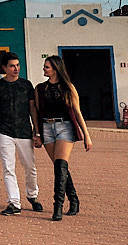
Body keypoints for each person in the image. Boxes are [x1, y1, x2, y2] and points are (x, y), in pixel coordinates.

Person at [35, 54, 92, 221]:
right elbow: (37, 113)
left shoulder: (68, 88)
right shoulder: (40, 89)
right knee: (61, 168)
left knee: (60, 166)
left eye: (47, 67)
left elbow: (77, 112)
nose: (44, 69)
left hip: (64, 127)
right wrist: (36, 133)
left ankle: (57, 207)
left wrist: (87, 136)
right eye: (44, 66)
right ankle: (74, 200)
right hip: (46, 128)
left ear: (55, 69)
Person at [0, 52, 43, 215]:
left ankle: (32, 196)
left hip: (24, 131)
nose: (16, 68)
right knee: (8, 168)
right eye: (12, 66)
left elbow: (32, 108)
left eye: (18, 65)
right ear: (4, 68)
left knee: (30, 167)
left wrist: (37, 130)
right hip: (4, 132)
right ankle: (14, 202)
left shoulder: (26, 85)